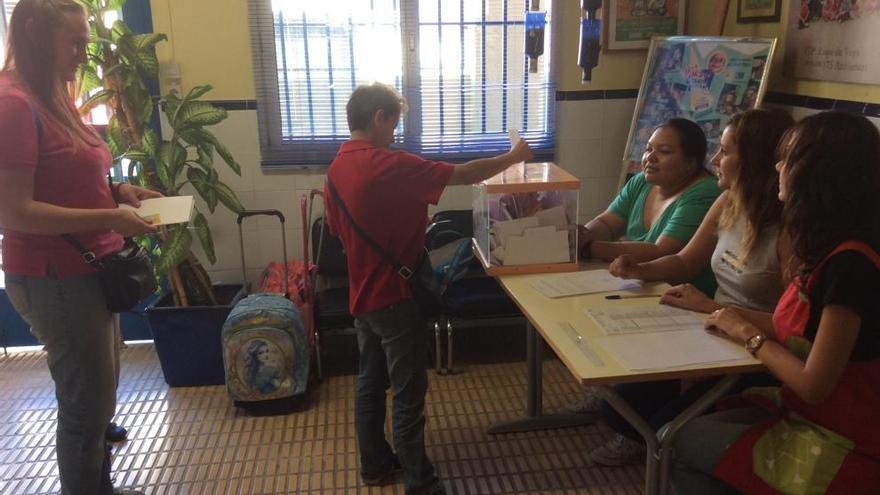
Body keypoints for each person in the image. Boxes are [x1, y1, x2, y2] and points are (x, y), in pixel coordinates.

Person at [324, 82, 532, 495]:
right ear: (379, 117)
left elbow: (337, 232)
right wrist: (514, 156)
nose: (394, 134)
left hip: (362, 293)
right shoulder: (388, 164)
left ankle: (374, 465)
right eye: (393, 123)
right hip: (397, 298)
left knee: (369, 381)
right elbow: (464, 174)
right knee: (408, 392)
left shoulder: (335, 170)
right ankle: (421, 482)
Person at [672, 111, 880, 494]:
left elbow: (814, 384)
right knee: (686, 427)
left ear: (819, 175)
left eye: (790, 159)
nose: (778, 167)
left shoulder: (851, 266)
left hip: (845, 438)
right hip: (807, 414)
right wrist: (717, 312)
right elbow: (793, 327)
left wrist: (748, 334)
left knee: (677, 440)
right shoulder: (823, 247)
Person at [0, 1, 160, 494]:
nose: (82, 54)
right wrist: (111, 218)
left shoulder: (53, 93)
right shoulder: (13, 104)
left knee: (100, 398)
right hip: (56, 278)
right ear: (33, 36)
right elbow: (15, 211)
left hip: (90, 269)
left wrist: (118, 193)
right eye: (73, 43)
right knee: (85, 406)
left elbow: (70, 174)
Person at [584, 108, 794, 466]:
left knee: (665, 428)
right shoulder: (727, 200)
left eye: (725, 152)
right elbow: (684, 261)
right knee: (619, 404)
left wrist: (711, 309)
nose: (715, 160)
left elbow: (792, 324)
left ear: (754, 161)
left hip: (754, 346)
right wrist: (640, 269)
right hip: (710, 326)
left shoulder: (790, 228)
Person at [577, 117, 721, 297]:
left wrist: (588, 247)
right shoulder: (641, 182)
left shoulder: (705, 192)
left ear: (691, 163)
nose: (650, 157)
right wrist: (581, 235)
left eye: (664, 151)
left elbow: (662, 252)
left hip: (685, 297)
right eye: (648, 149)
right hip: (641, 287)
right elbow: (607, 223)